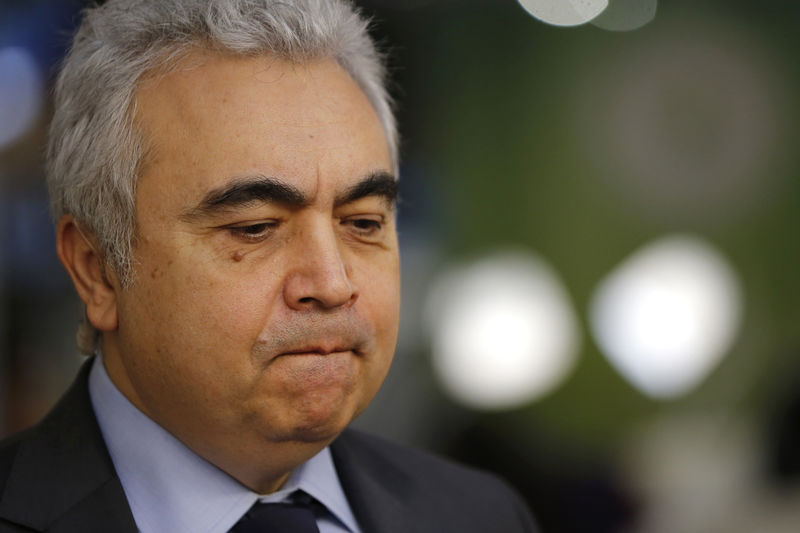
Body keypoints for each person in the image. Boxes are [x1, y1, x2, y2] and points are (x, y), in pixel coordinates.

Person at [0, 1, 538, 531]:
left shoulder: (480, 514)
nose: (332, 284)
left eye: (364, 223)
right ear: (97, 270)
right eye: (255, 228)